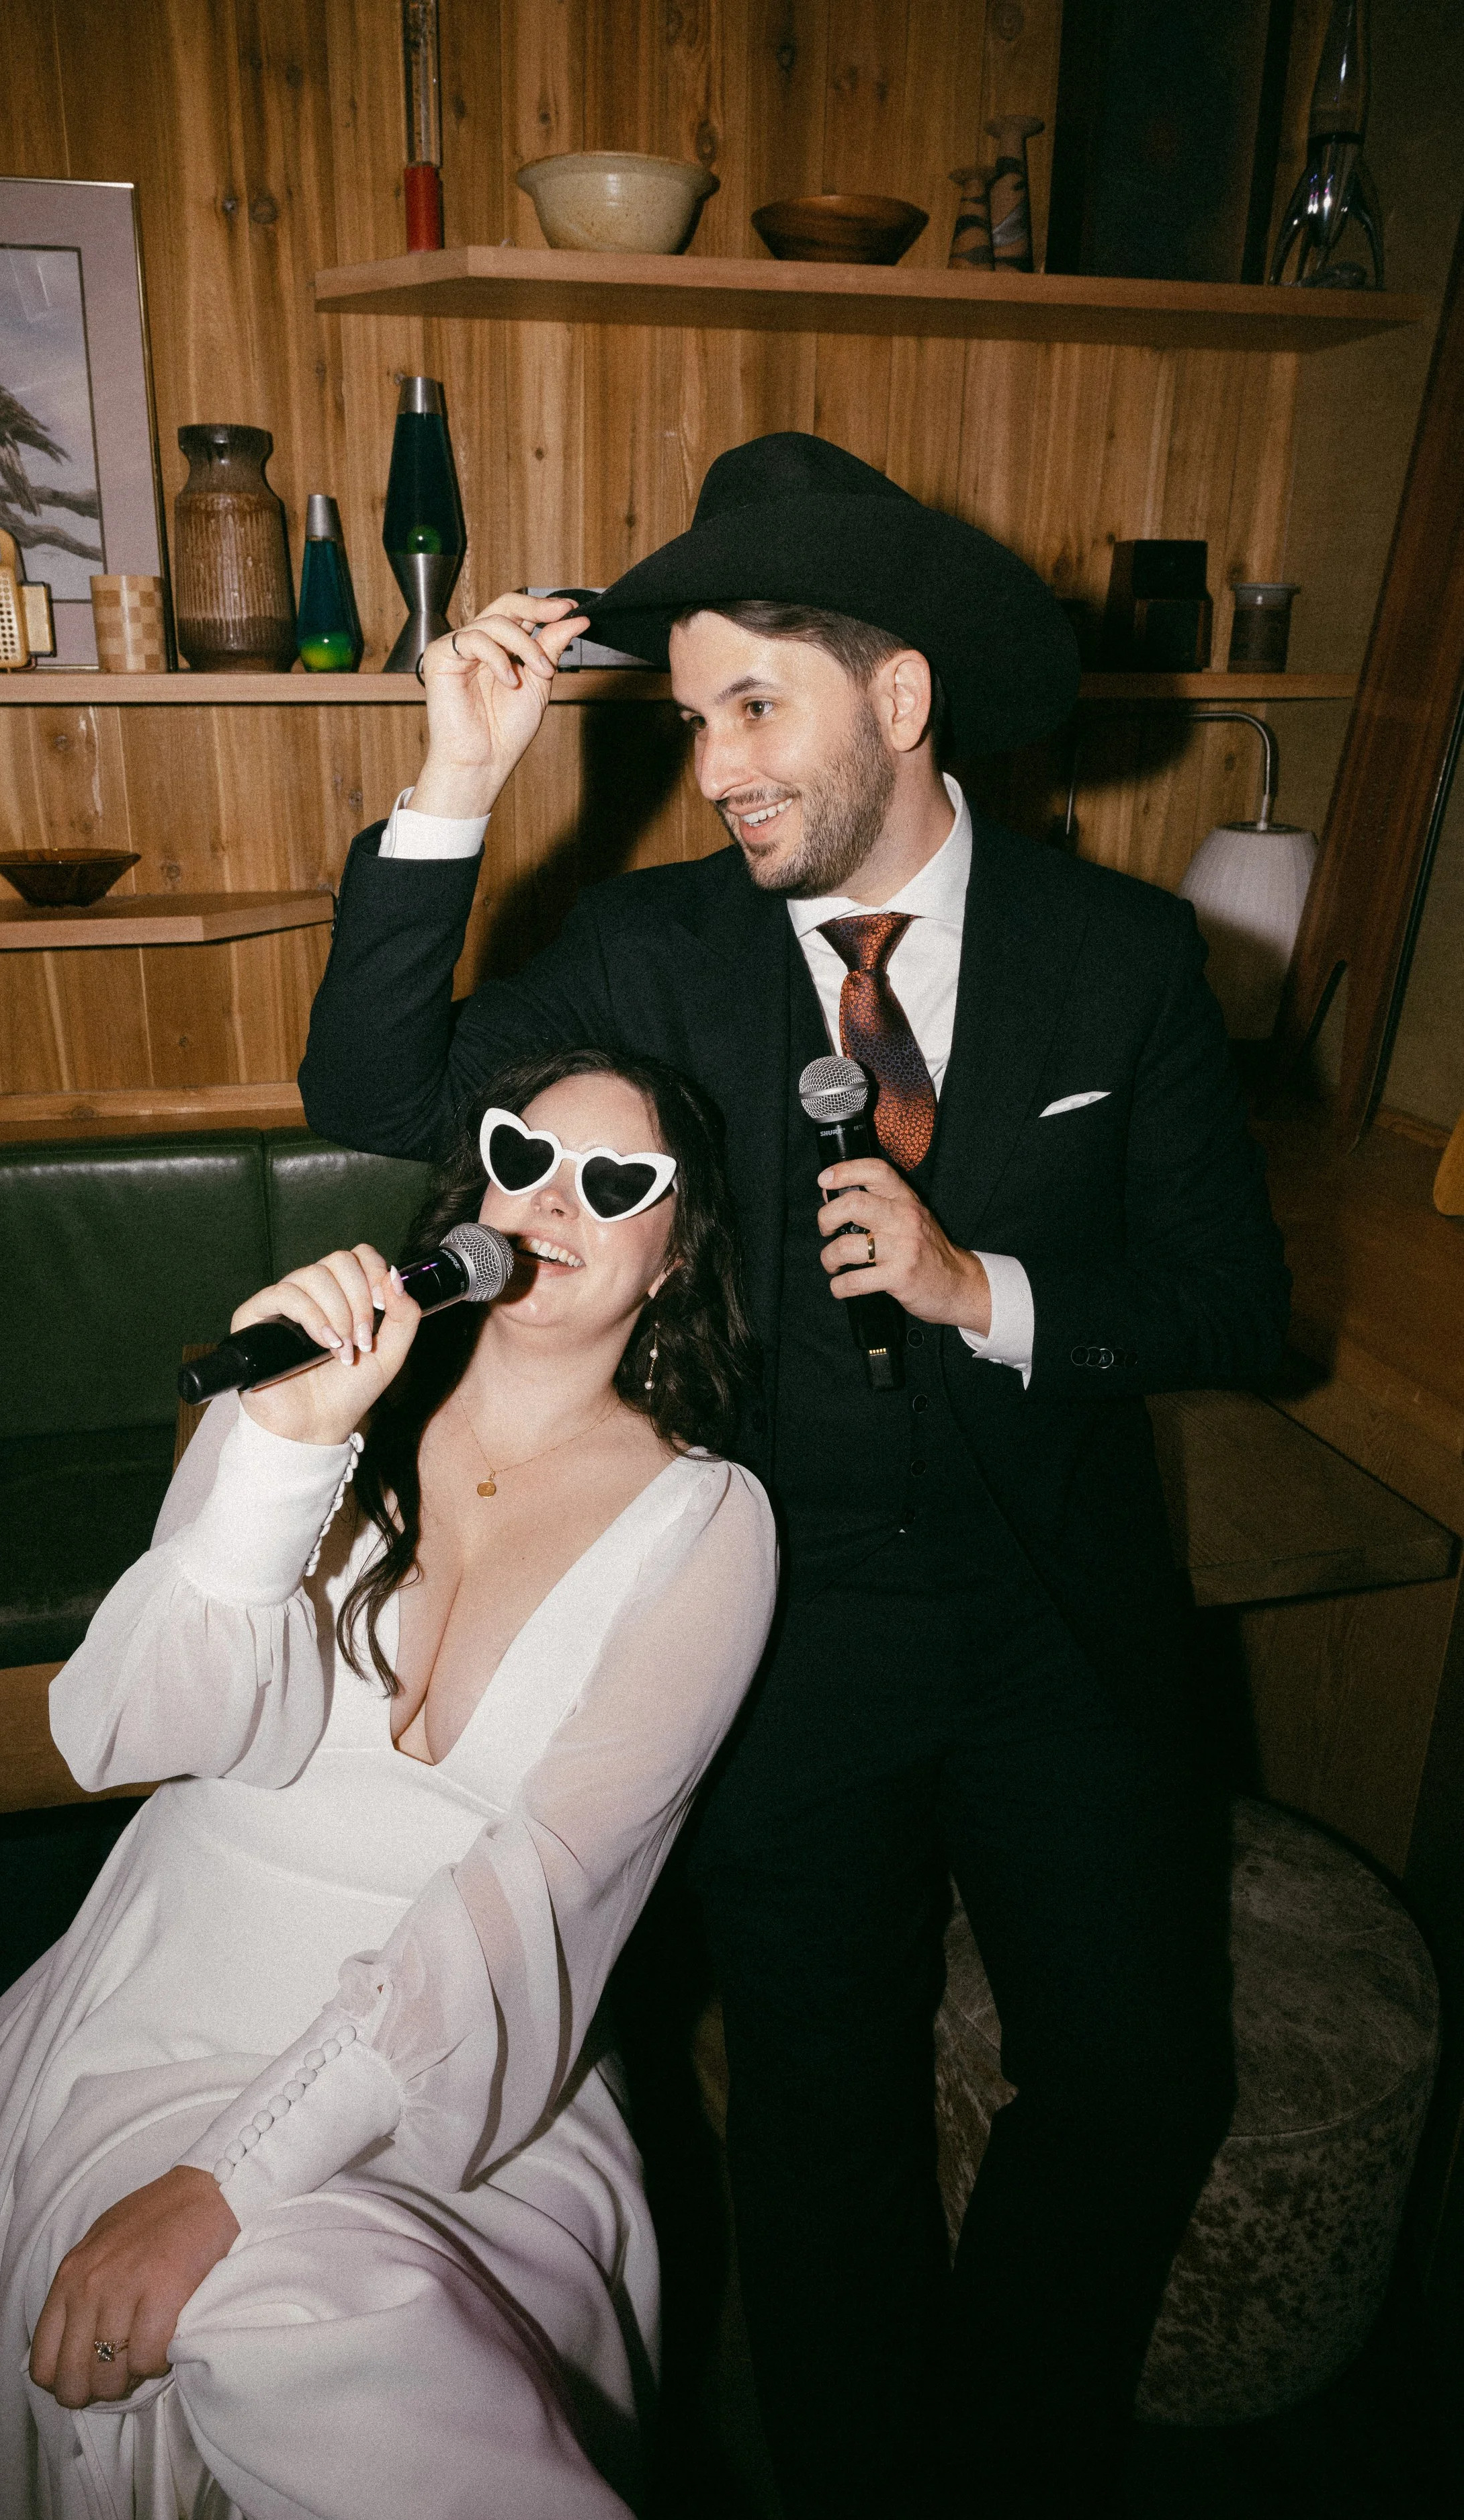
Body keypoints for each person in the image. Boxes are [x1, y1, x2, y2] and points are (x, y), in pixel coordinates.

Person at [296, 433, 1292, 2515]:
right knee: (820, 2116)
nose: (721, 762)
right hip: (762, 1609)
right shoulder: (654, 955)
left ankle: (985, 2466)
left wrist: (983, 1284)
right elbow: (370, 1089)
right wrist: (458, 784)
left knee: (1132, 2073)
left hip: (1053, 1613)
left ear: (899, 698)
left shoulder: (1119, 958)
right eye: (694, 718)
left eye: (760, 706)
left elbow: (1234, 1304)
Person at [0, 1048, 775, 2520]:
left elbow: (534, 1893)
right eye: (521, 1156)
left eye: (613, 1182)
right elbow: (121, 1732)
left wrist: (226, 2184)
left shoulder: (708, 1522)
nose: (549, 1203)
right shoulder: (309, 1415)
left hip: (460, 2050)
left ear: (677, 1248)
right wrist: (281, 1449)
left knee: (314, 2302)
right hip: (170, 1996)